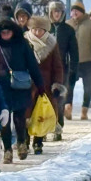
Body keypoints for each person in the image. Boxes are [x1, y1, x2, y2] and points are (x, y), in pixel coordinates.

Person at [0, 17, 44, 162]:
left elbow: (32, 65)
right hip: (1, 87)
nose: (6, 35)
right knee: (4, 119)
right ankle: (7, 149)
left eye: (8, 32)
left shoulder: (22, 44)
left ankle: (21, 143)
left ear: (14, 32)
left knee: (20, 117)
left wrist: (40, 85)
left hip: (21, 86)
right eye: (3, 32)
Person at [25, 15, 65, 154]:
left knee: (41, 114)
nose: (37, 32)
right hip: (27, 85)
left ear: (46, 30)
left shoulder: (52, 44)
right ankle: (24, 140)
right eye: (35, 29)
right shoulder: (25, 42)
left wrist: (57, 84)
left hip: (45, 86)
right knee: (26, 114)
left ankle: (38, 142)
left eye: (40, 30)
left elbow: (58, 66)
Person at [47, 0, 78, 137]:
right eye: (54, 11)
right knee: (46, 99)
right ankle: (44, 128)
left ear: (63, 13)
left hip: (62, 69)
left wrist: (73, 70)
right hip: (46, 69)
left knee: (59, 99)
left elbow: (74, 52)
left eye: (59, 11)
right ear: (50, 13)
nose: (57, 14)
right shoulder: (45, 29)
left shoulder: (68, 30)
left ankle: (58, 127)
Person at [68, 0, 91, 120]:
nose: (74, 13)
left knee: (88, 87)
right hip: (72, 61)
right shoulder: (68, 24)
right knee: (69, 86)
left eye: (76, 10)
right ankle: (68, 108)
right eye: (72, 10)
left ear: (82, 12)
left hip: (88, 61)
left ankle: (84, 110)